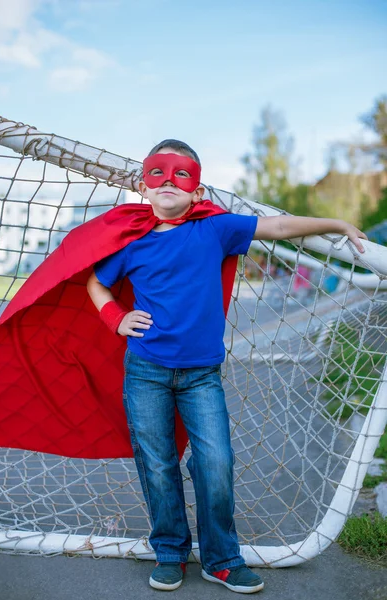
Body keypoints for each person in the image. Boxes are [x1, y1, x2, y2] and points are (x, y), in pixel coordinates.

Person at [86, 140, 367, 594]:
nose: (169, 183)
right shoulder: (132, 243)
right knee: (157, 465)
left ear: (196, 190)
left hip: (201, 376)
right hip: (146, 372)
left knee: (216, 462)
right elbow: (96, 282)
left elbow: (277, 226)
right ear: (144, 187)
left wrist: (339, 222)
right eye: (158, 175)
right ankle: (171, 553)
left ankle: (221, 558)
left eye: (181, 174)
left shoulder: (215, 230)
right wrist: (116, 318)